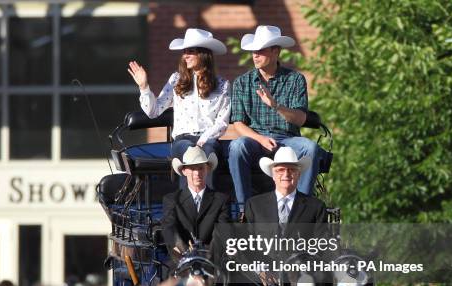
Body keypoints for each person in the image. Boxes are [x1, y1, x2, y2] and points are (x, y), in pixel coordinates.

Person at [229, 25, 321, 207]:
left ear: (276, 51)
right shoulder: (242, 82)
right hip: (256, 139)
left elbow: (301, 119)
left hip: (288, 139)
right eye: (253, 51)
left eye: (260, 50)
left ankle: (300, 207)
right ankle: (243, 208)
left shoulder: (295, 79)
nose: (255, 55)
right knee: (237, 146)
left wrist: (275, 105)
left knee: (310, 148)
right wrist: (260, 138)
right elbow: (238, 124)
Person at [128, 28, 231, 189]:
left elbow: (222, 122)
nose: (185, 56)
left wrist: (203, 140)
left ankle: (209, 203)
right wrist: (144, 87)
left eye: (190, 51)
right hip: (182, 139)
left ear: (203, 55)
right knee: (189, 152)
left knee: (208, 152)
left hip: (208, 138)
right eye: (184, 52)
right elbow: (153, 111)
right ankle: (187, 204)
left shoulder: (222, 84)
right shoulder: (176, 80)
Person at [245, 146, 327, 286]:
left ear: (298, 175)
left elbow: (322, 246)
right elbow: (245, 244)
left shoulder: (315, 207)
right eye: (280, 170)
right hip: (262, 282)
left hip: (300, 281)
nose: (286, 174)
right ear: (273, 174)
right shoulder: (254, 205)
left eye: (291, 170)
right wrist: (260, 269)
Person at [161, 146, 230, 258]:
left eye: (201, 168)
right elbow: (169, 228)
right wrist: (184, 251)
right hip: (181, 261)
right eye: (192, 169)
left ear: (207, 169)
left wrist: (207, 255)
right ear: (184, 171)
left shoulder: (221, 199)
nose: (197, 173)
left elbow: (222, 231)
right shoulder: (172, 200)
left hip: (212, 261)